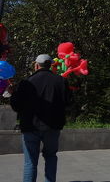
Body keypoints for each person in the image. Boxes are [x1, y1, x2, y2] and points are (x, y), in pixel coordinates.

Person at [10, 54, 71, 182]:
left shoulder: (26, 82)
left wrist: (13, 94)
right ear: (50, 66)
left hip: (30, 127)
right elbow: (68, 102)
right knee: (51, 157)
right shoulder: (60, 81)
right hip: (52, 127)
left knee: (30, 162)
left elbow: (16, 106)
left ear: (36, 65)